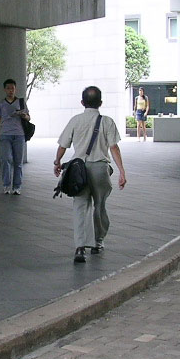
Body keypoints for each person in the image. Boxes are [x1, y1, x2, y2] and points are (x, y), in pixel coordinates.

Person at [54, 86, 127, 263]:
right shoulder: (107, 122)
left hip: (78, 170)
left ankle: (80, 247)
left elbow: (63, 145)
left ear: (82, 102)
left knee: (80, 206)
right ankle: (98, 242)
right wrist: (121, 171)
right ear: (100, 103)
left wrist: (58, 162)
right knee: (99, 205)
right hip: (100, 169)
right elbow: (114, 147)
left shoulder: (75, 120)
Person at [0, 78, 30, 195]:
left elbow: (29, 117)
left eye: (12, 88)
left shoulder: (21, 102)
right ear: (4, 90)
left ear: (15, 89)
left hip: (19, 135)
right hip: (5, 135)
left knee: (18, 162)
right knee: (6, 159)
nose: (11, 91)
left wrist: (24, 116)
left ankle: (17, 186)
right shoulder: (1, 104)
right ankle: (6, 185)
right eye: (8, 88)